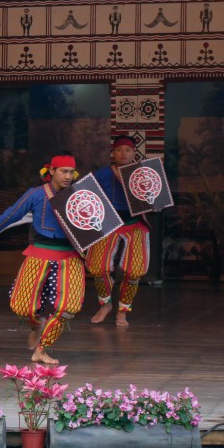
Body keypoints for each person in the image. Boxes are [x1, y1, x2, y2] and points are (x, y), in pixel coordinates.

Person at [0, 153, 85, 364]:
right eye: (64, 171)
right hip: (40, 254)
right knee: (21, 306)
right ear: (51, 171)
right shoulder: (35, 194)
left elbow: (95, 223)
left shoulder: (79, 196)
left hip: (70, 256)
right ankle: (36, 325)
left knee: (69, 306)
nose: (68, 176)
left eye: (71, 172)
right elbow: (12, 214)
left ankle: (42, 349)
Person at [88, 136, 150, 327]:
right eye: (120, 149)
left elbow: (155, 199)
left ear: (134, 154)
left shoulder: (143, 174)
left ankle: (123, 311)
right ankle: (105, 304)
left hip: (134, 223)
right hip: (108, 223)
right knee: (98, 267)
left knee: (135, 270)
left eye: (128, 150)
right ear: (112, 153)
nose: (123, 153)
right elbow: (88, 197)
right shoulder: (102, 174)